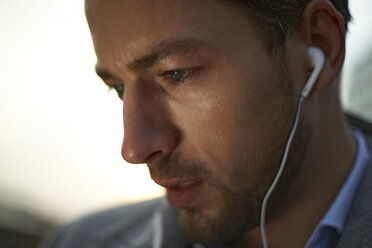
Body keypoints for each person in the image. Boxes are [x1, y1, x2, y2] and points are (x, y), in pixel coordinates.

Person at [45, 0, 372, 247]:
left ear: (321, 47)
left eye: (176, 73)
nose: (133, 149)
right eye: (118, 87)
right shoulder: (80, 240)